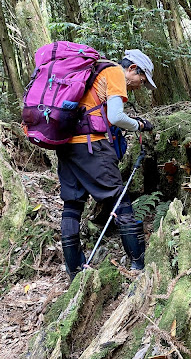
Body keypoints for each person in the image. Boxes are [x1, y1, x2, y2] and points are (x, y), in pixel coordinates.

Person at [58, 49, 156, 280]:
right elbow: (116, 117)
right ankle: (139, 264)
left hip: (67, 146)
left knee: (72, 206)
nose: (138, 86)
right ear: (132, 68)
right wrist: (139, 125)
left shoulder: (95, 73)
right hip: (91, 146)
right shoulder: (114, 73)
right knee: (119, 200)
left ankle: (74, 271)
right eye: (140, 80)